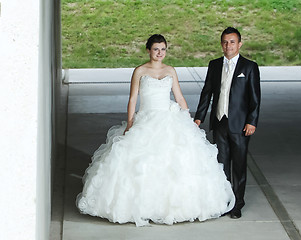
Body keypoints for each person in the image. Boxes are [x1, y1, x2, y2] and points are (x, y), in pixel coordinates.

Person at [76, 34, 235, 227]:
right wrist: (129, 123)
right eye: (156, 49)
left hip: (169, 118)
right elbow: (133, 99)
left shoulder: (170, 70)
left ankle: (173, 206)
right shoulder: (140, 71)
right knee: (140, 164)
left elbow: (179, 96)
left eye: (163, 49)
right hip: (146, 118)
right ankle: (142, 207)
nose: (160, 53)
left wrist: (188, 118)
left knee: (176, 163)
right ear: (148, 50)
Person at [194, 27, 261, 219]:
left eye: (232, 42)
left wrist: (252, 121)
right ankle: (225, 201)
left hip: (240, 124)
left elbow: (255, 97)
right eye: (225, 42)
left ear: (239, 44)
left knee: (239, 165)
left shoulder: (249, 67)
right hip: (219, 121)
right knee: (222, 164)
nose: (228, 45)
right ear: (221, 44)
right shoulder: (214, 65)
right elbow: (206, 92)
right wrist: (199, 117)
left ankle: (238, 203)